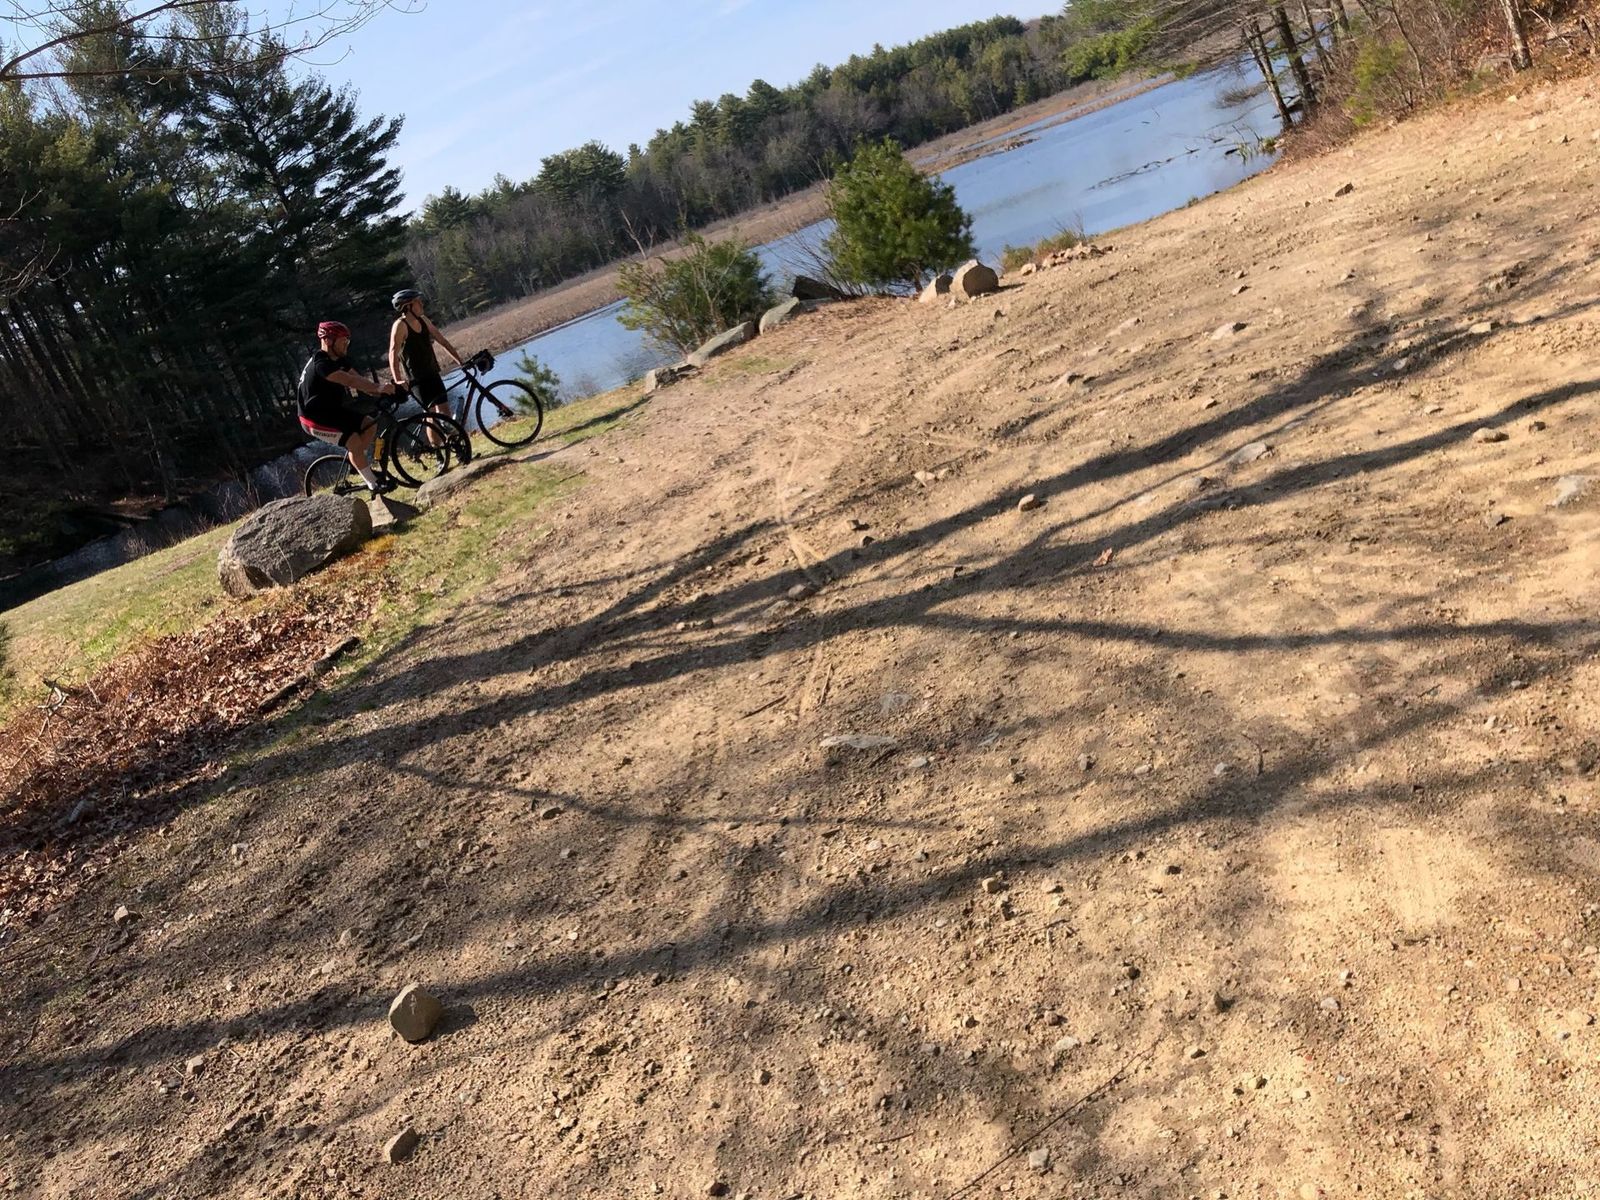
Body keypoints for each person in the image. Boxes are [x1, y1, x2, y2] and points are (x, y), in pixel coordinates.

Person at [297, 320, 404, 494]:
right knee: (353, 440)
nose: (347, 344)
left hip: (331, 411)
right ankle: (374, 485)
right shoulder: (321, 364)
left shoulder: (337, 359)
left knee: (369, 425)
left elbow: (358, 379)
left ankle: (358, 464)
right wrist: (379, 388)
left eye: (348, 340)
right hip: (313, 419)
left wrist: (384, 391)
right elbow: (349, 380)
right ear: (328, 341)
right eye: (343, 341)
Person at [388, 288, 465, 425]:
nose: (421, 304)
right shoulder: (400, 325)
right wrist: (398, 380)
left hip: (432, 372)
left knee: (445, 412)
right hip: (417, 378)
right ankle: (436, 439)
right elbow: (393, 353)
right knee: (431, 416)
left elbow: (442, 341)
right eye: (417, 302)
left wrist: (460, 361)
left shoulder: (423, 320)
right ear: (408, 306)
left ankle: (452, 437)